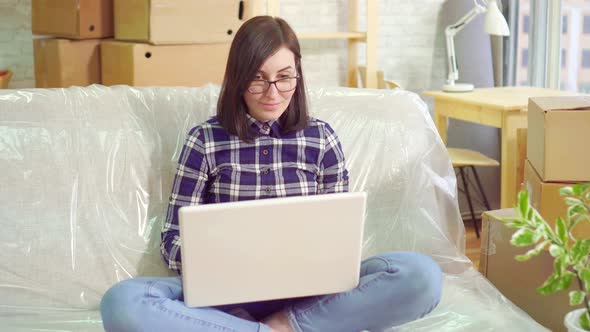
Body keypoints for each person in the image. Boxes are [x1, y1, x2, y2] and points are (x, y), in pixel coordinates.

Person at [100, 16, 442, 332]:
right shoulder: (204, 140)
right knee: (124, 302)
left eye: (284, 77)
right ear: (237, 78)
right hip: (222, 295)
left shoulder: (321, 138)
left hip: (308, 294)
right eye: (258, 79)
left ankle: (286, 324)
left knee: (421, 275)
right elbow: (171, 243)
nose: (273, 92)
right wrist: (223, 255)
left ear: (297, 75)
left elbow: (341, 236)